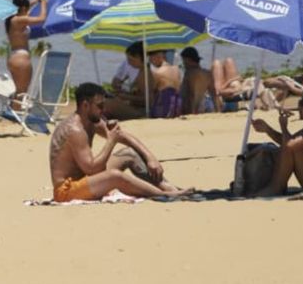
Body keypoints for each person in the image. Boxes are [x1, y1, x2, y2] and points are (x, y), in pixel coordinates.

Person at [49, 82, 191, 202]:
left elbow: (123, 137)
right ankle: (163, 195)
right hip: (66, 191)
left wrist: (150, 158)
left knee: (129, 153)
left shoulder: (93, 122)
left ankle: (168, 188)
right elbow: (91, 169)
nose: (103, 110)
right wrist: (111, 141)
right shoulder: (75, 130)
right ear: (85, 105)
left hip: (84, 180)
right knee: (115, 176)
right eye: (99, 106)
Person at [4, 0, 49, 106]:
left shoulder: (12, 19)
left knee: (19, 91)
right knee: (22, 92)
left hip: (14, 57)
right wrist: (43, 3)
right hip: (21, 59)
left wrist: (33, 3)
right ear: (23, 8)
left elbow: (25, 13)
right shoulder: (19, 20)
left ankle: (14, 112)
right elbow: (41, 19)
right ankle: (16, 114)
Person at [103, 42, 149, 120]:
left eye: (130, 60)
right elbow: (139, 94)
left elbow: (147, 100)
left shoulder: (144, 75)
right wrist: (125, 94)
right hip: (136, 107)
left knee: (108, 103)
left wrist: (126, 96)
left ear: (138, 57)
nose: (129, 63)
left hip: (142, 112)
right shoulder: (142, 72)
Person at [179, 47, 219, 115]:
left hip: (193, 109)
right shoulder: (207, 73)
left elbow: (188, 95)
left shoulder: (189, 73)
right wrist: (218, 111)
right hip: (205, 107)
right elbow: (214, 94)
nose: (183, 63)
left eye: (184, 60)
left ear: (188, 60)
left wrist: (190, 112)